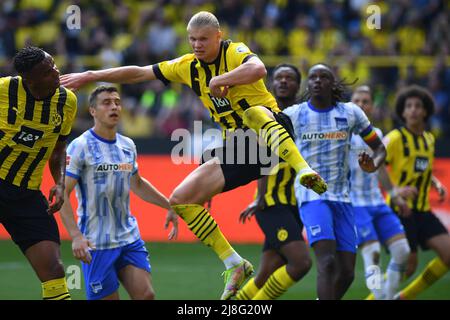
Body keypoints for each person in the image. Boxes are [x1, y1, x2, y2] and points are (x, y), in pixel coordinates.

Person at [60, 11, 327, 299]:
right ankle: (234, 263)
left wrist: (221, 79)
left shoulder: (235, 51)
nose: (197, 45)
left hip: (272, 133)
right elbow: (139, 72)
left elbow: (259, 70)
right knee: (181, 199)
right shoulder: (187, 66)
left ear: (218, 37)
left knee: (253, 112)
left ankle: (303, 170)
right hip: (243, 149)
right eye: (192, 40)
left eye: (203, 39)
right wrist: (91, 74)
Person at [278, 64, 387, 300]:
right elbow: (264, 135)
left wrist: (374, 164)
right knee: (326, 263)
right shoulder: (295, 115)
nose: (317, 81)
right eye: (313, 77)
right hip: (312, 196)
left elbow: (380, 148)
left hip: (343, 198)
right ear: (308, 84)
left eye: (324, 77)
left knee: (347, 273)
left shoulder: (351, 113)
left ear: (332, 84)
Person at [59, 86, 178, 300]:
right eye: (106, 102)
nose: (114, 106)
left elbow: (138, 184)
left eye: (117, 102)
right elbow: (61, 195)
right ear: (93, 110)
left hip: (128, 236)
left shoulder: (127, 144)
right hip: (96, 242)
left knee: (146, 295)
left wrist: (170, 205)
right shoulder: (80, 146)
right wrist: (76, 236)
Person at [0, 46, 77, 300]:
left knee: (54, 269)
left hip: (26, 195)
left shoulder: (67, 102)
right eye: (47, 72)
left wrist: (59, 182)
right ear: (29, 80)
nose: (56, 73)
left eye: (54, 65)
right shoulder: (4, 90)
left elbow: (58, 148)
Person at [236, 64, 312, 300]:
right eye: (279, 78)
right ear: (272, 84)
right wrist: (259, 197)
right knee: (300, 262)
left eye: (289, 78)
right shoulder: (265, 115)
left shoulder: (305, 117)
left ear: (298, 85)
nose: (283, 81)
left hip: (295, 205)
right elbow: (261, 160)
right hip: (271, 202)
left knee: (265, 273)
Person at [382, 85, 450, 300]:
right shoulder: (394, 138)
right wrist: (395, 191)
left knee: (448, 255)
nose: (412, 110)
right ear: (402, 111)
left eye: (417, 106)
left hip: (423, 209)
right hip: (401, 210)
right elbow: (375, 165)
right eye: (408, 106)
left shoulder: (428, 139)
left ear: (425, 112)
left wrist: (435, 183)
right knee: (408, 267)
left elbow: (422, 168)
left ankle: (402, 297)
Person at [349, 86, 412, 300]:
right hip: (354, 204)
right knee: (373, 254)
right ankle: (381, 296)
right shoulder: (342, 134)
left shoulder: (377, 135)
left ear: (372, 107)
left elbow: (382, 167)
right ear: (350, 105)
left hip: (377, 202)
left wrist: (394, 194)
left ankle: (386, 296)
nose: (361, 104)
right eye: (357, 100)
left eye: (366, 101)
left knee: (403, 251)